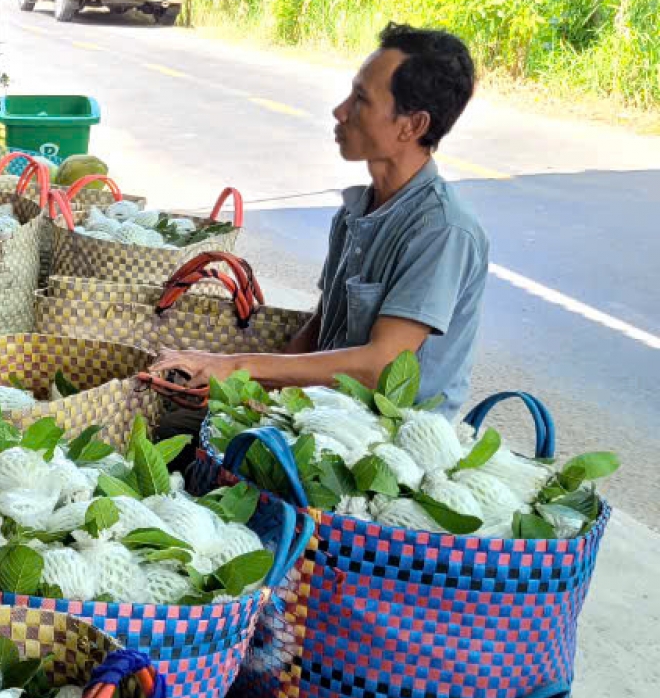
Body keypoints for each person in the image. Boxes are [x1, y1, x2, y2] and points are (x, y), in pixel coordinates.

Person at [151, 23, 487, 418]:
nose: (340, 111)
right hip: (324, 415)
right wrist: (260, 397)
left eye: (361, 99)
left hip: (388, 443)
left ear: (412, 126)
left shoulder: (442, 231)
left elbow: (380, 368)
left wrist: (238, 365)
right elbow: (323, 325)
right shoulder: (356, 211)